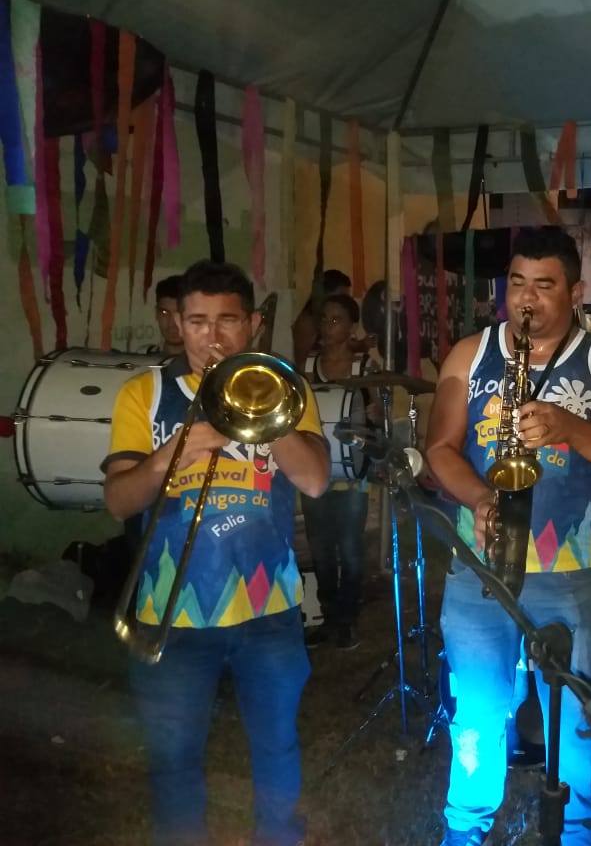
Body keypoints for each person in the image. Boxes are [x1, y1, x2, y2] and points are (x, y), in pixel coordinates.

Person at [426, 226, 591, 846]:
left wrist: (570, 428)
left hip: (568, 572)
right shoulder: (470, 354)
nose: (525, 299)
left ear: (575, 293)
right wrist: (479, 497)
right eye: (517, 283)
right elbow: (439, 449)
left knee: (576, 723)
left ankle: (576, 834)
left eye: (544, 286)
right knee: (476, 718)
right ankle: (465, 831)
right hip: (479, 569)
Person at [102, 259, 330, 846]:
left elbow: (314, 481)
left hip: (268, 611)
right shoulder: (144, 394)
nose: (212, 336)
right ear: (178, 323)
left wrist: (264, 409)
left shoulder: (286, 389)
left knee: (276, 745)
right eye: (198, 321)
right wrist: (171, 453)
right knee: (174, 757)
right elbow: (119, 502)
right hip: (172, 613)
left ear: (252, 325)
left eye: (227, 321)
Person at [301, 293, 374, 651]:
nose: (327, 326)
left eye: (336, 320)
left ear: (351, 327)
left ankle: (348, 620)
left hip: (353, 474)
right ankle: (329, 617)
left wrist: (371, 418)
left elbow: (375, 420)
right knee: (321, 549)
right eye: (324, 319)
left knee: (350, 549)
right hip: (315, 471)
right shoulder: (308, 365)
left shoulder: (365, 369)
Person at [292, 268, 376, 365]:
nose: (345, 302)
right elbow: (305, 361)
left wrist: (362, 345)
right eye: (341, 297)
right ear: (326, 294)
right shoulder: (307, 323)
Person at [145, 275, 185, 356]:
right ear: (156, 313)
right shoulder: (142, 356)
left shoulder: (207, 361)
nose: (172, 324)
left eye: (179, 314)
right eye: (165, 313)